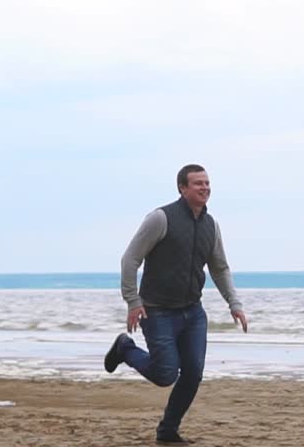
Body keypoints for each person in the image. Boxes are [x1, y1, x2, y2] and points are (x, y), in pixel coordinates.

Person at [105, 164, 248, 445]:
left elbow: (219, 268)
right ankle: (125, 348)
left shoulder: (211, 225)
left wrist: (234, 302)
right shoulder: (161, 219)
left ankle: (167, 431)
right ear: (182, 188)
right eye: (198, 183)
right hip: (157, 310)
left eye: (207, 183)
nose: (204, 187)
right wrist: (133, 301)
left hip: (193, 311)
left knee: (193, 373)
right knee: (165, 374)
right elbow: (130, 259)